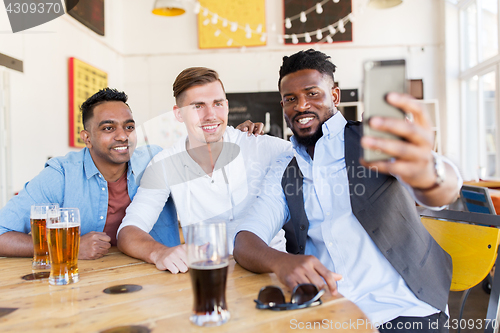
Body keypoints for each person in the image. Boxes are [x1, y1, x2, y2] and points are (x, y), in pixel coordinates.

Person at [233, 49, 461, 332]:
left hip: (405, 308)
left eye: (313, 93)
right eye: (291, 99)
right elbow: (245, 241)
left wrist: (429, 173)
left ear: (335, 96)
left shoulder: (373, 141)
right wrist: (280, 261)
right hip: (331, 313)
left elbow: (442, 192)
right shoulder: (284, 168)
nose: (301, 105)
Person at [117, 67, 293, 273]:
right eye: (197, 106)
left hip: (269, 273)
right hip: (207, 274)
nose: (210, 115)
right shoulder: (165, 164)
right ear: (179, 114)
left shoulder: (261, 146)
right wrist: (159, 252)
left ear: (226, 106)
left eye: (217, 104)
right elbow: (128, 231)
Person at [0, 88, 179, 259]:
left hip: (162, 273)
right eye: (108, 128)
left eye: (129, 127)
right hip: (88, 282)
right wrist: (68, 246)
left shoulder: (154, 159)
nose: (123, 136)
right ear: (87, 138)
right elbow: (2, 233)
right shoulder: (61, 175)